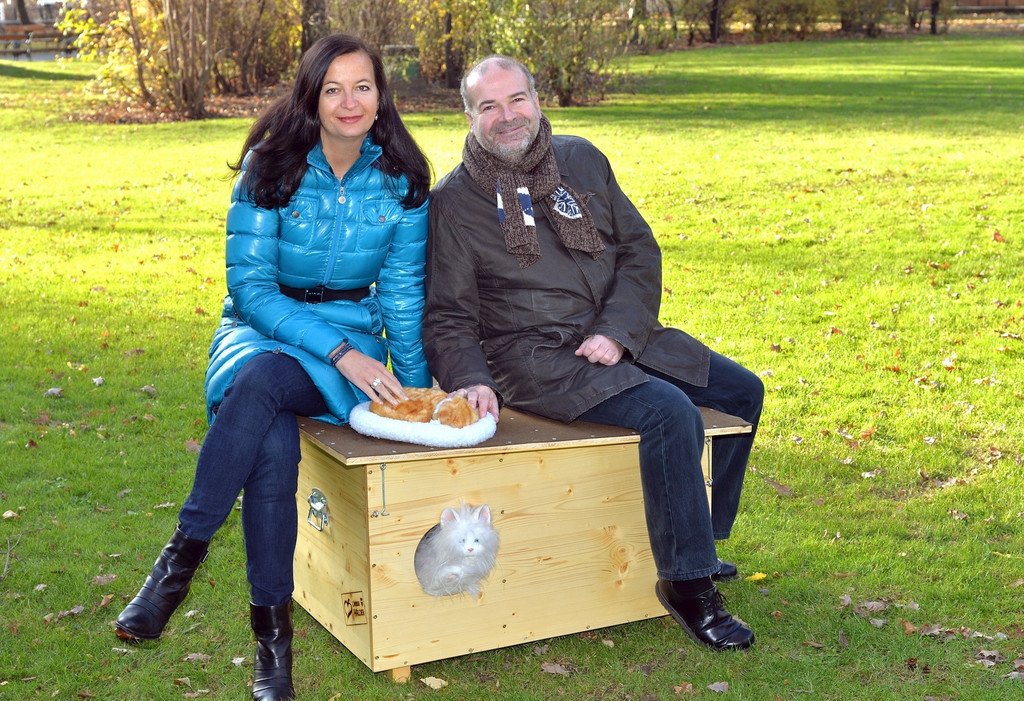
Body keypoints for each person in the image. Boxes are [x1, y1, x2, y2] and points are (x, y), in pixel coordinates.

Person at [113, 34, 432, 700]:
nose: (349, 102)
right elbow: (252, 289)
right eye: (333, 89)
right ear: (311, 98)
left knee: (264, 400)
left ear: (382, 96)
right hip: (259, 330)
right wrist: (340, 353)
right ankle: (270, 647)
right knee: (271, 428)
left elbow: (403, 294)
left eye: (363, 87)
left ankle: (178, 570)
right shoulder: (270, 166)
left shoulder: (403, 179)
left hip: (350, 341)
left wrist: (415, 391)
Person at [423, 56, 764, 651]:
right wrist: (470, 379)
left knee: (741, 391)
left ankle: (701, 539)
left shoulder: (580, 159)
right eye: (489, 106)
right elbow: (448, 314)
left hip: (618, 332)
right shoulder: (455, 201)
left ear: (537, 99)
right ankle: (688, 584)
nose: (507, 116)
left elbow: (639, 250)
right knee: (668, 412)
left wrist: (619, 332)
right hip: (535, 357)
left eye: (517, 99)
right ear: (470, 117)